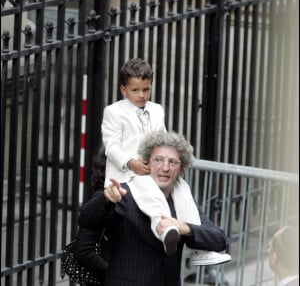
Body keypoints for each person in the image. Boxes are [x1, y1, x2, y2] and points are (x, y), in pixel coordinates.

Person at [100, 58, 231, 264]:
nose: (142, 95)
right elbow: (112, 146)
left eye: (146, 89)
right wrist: (130, 162)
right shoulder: (114, 112)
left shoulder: (157, 109)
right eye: (135, 91)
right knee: (152, 197)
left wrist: (174, 160)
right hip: (130, 174)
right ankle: (164, 230)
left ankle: (197, 250)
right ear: (123, 90)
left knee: (183, 191)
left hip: (153, 167)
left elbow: (163, 138)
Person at [76, 131, 230, 286]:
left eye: (172, 162)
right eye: (158, 160)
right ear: (146, 164)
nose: (165, 167)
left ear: (182, 170)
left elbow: (219, 239)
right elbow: (85, 219)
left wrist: (184, 228)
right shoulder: (125, 193)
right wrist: (105, 200)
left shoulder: (184, 202)